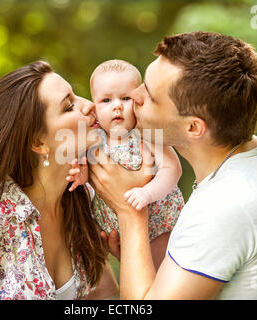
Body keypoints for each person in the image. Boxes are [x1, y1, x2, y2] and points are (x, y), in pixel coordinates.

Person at [89, 31, 257, 299]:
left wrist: (130, 215)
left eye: (150, 95)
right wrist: (139, 257)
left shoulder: (223, 207)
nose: (134, 95)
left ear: (192, 127)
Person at [0, 61, 118, 300]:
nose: (89, 105)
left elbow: (105, 296)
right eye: (68, 107)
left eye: (75, 95)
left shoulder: (83, 196)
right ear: (39, 143)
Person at [67, 59, 184, 268]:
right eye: (106, 100)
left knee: (160, 270)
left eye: (125, 98)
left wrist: (147, 193)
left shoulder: (146, 133)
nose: (117, 106)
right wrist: (81, 175)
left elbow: (173, 169)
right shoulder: (94, 137)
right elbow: (90, 178)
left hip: (157, 223)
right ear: (94, 105)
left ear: (138, 100)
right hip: (116, 229)